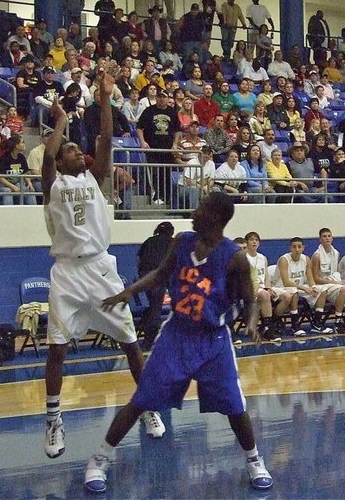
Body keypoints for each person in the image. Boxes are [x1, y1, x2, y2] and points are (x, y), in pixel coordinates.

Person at [83, 193, 273, 493]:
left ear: (215, 217)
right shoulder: (182, 242)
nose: (194, 213)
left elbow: (250, 299)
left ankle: (254, 460)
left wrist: (251, 322)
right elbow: (161, 274)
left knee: (235, 407)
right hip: (176, 336)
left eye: (201, 208)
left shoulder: (234, 257)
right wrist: (130, 291)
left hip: (213, 341)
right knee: (141, 400)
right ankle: (99, 459)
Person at [41, 67, 165, 464]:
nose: (78, 152)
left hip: (99, 268)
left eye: (78, 150)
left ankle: (146, 405)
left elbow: (107, 140)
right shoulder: (54, 184)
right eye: (71, 151)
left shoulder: (94, 179)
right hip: (66, 272)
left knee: (130, 342)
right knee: (57, 349)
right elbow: (48, 155)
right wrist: (62, 120)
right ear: (62, 162)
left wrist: (107, 98)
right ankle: (54, 419)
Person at [136, 222, 175, 349]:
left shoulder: (149, 241)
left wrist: (142, 275)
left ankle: (149, 339)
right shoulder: (173, 242)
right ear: (171, 232)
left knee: (154, 307)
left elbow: (139, 260)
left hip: (148, 276)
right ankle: (154, 339)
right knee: (158, 309)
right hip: (164, 275)